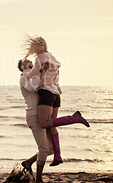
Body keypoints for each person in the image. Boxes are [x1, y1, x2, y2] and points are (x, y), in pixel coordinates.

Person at [22, 34, 90, 168]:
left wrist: (25, 74)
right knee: (51, 125)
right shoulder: (52, 58)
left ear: (37, 46)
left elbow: (33, 74)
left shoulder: (40, 58)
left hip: (46, 93)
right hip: (56, 95)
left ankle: (74, 118)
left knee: (44, 123)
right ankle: (57, 156)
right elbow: (57, 78)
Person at [18, 58, 53, 183]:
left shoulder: (34, 77)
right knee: (44, 149)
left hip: (43, 114)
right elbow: (32, 88)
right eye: (26, 61)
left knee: (52, 149)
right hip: (34, 115)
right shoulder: (23, 78)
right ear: (22, 67)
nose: (29, 60)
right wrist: (40, 72)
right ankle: (39, 180)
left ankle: (28, 162)